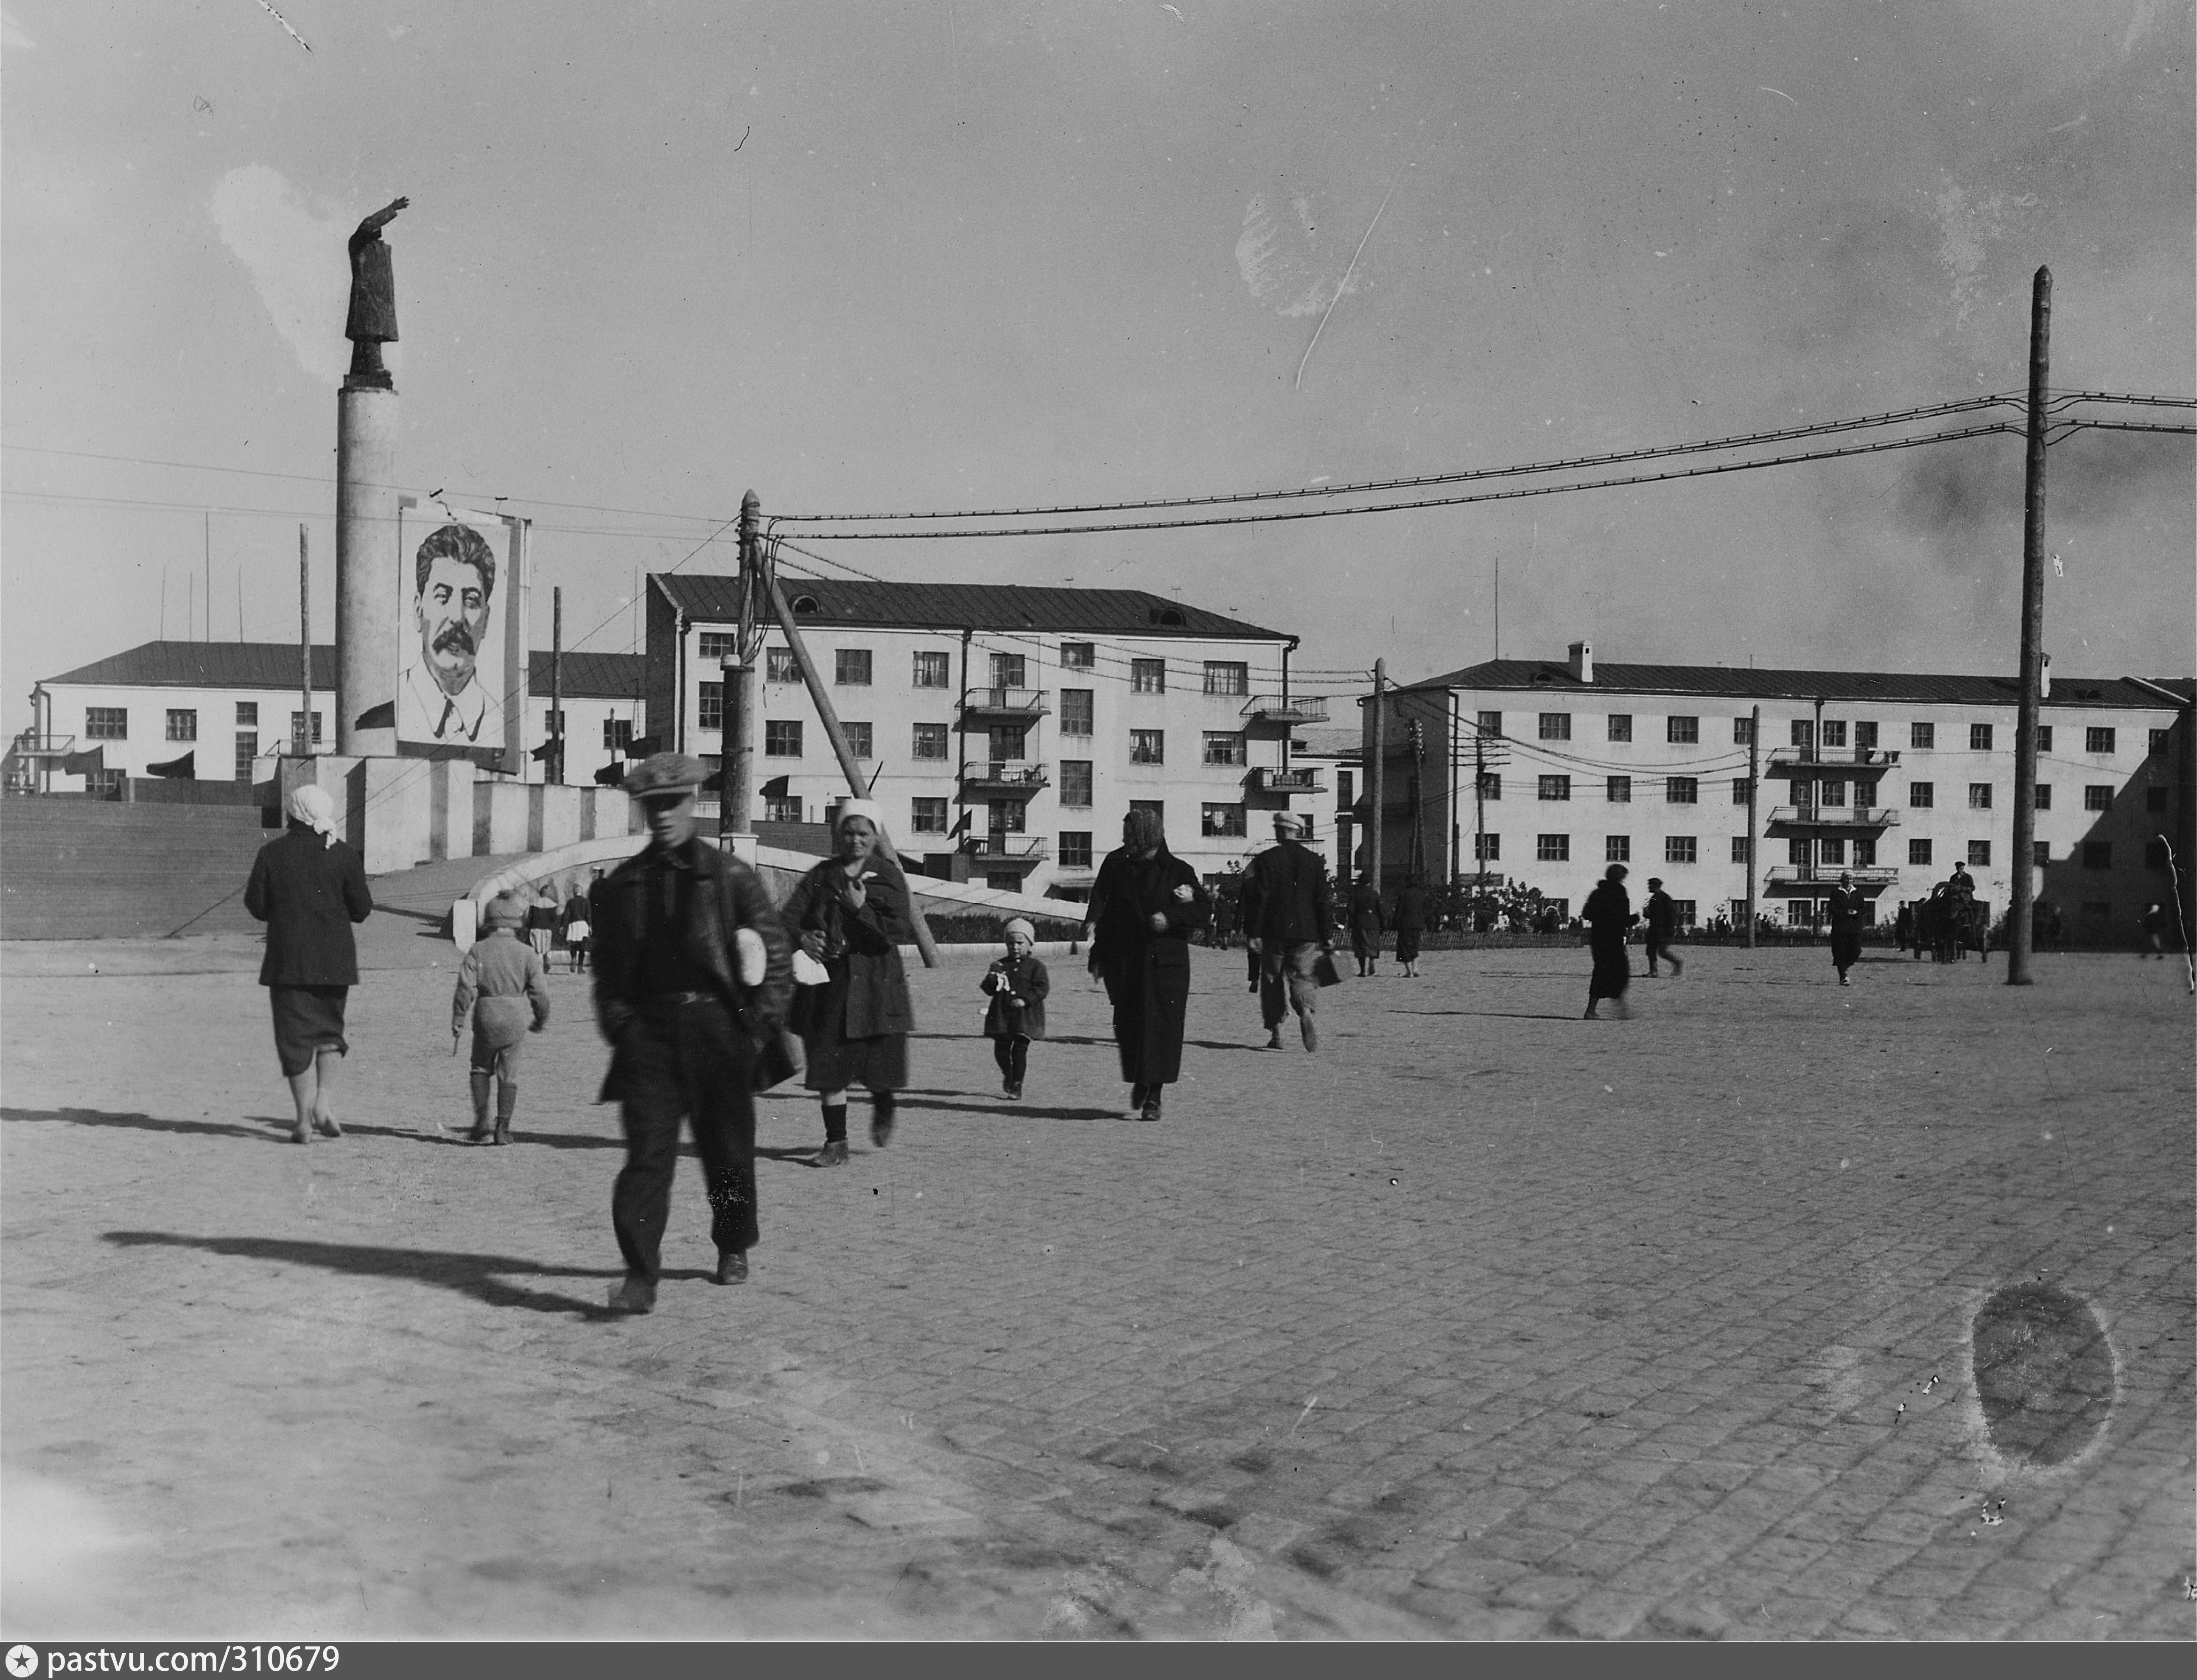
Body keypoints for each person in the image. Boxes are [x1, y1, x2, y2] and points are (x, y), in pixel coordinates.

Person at [590, 753, 791, 1313]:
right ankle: (639, 1275)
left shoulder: (730, 877)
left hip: (717, 1030)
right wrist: (622, 1028)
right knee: (646, 1158)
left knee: (726, 1152)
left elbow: (776, 959)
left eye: (671, 804)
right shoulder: (624, 884)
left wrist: (752, 1031)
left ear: (691, 805)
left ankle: (732, 1245)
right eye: (651, 806)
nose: (661, 816)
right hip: (649, 1035)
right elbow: (606, 973)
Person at [782, 800, 918, 1166]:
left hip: (876, 985)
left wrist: (861, 909)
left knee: (877, 1069)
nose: (856, 840)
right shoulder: (821, 875)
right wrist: (804, 938)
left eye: (864, 833)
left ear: (875, 837)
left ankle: (884, 1101)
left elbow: (896, 930)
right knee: (829, 1067)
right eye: (849, 832)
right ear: (837, 834)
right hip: (832, 986)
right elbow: (789, 919)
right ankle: (836, 1144)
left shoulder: (887, 875)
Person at [244, 783, 374, 1143]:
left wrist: (286, 913)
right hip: (335, 961)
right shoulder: (345, 854)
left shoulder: (272, 853)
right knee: (330, 1031)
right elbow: (362, 910)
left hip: (288, 960)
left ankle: (302, 1120)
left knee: (294, 1037)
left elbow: (255, 905)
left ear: (292, 813)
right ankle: (324, 1103)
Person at [1085, 807, 1212, 1120]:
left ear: (1146, 836)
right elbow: (1107, 913)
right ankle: (1141, 1079)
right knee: (1126, 1025)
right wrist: (1098, 954)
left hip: (1164, 963)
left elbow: (1203, 913)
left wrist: (1170, 918)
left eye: (1131, 835)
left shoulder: (1179, 870)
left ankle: (1154, 1095)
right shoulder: (1117, 866)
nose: (1125, 840)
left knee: (1161, 1028)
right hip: (1124, 959)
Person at [451, 893, 551, 1143]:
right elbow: (540, 993)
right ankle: (503, 1128)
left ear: (490, 921)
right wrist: (540, 1018)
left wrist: (459, 1017)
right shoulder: (527, 953)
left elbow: (466, 988)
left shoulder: (478, 950)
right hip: (516, 1015)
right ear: (517, 922)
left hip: (486, 1014)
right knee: (509, 1074)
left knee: (480, 1067)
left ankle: (482, 1122)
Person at [1238, 809, 1335, 1051]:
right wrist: (1327, 936)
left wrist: (1253, 933)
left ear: (1281, 831)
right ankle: (1305, 1010)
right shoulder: (1315, 862)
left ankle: (1277, 1032)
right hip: (1307, 931)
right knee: (1303, 976)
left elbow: (1259, 899)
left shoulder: (1267, 860)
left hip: (1274, 931)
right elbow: (1323, 901)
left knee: (1271, 979)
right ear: (1299, 832)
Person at [397, 522, 498, 745]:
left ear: (486, 620)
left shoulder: (500, 722)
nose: (456, 616)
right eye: (443, 596)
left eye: (471, 600)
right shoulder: (391, 709)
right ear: (417, 610)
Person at [980, 917, 1050, 1100]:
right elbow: (988, 990)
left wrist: (1026, 1000)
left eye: (1020, 943)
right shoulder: (999, 965)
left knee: (1019, 1050)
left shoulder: (1036, 966)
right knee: (1001, 1052)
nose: (1015, 947)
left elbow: (1042, 989)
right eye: (1011, 943)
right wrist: (992, 980)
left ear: (1030, 944)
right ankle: (1009, 1074)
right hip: (1002, 1016)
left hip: (1025, 1017)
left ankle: (1017, 1085)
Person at [1581, 863, 1636, 1019]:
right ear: (1620, 877)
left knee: (1601, 971)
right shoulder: (1620, 892)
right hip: (1614, 938)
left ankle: (1593, 1010)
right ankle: (1617, 1009)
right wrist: (1633, 920)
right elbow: (1622, 918)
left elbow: (1587, 914)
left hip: (1598, 938)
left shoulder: (1597, 893)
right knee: (1620, 972)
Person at [1827, 871, 1865, 985]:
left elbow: (1864, 909)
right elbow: (1832, 910)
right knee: (1840, 952)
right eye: (1847, 879)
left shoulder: (1858, 894)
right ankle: (1843, 976)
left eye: (1851, 879)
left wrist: (1857, 913)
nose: (1849, 881)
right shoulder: (1836, 893)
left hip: (1855, 928)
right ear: (1842, 880)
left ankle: (1846, 969)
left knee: (1856, 950)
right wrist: (1845, 913)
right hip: (1840, 928)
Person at [1643, 877, 1684, 978]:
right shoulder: (1655, 898)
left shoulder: (1665, 898)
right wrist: (1647, 914)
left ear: (1655, 886)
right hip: (1655, 930)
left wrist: (1670, 930)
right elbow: (1655, 915)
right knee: (1651, 951)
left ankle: (1677, 963)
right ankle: (1653, 971)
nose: (1649, 887)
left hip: (1663, 931)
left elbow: (1671, 915)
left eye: (1650, 885)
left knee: (1662, 951)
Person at [1347, 872, 1387, 977]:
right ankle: (1372, 960)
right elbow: (1381, 911)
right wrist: (1383, 924)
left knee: (1361, 947)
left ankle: (1363, 970)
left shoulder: (1355, 894)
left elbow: (1350, 910)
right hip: (1374, 923)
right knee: (1373, 945)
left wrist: (1352, 921)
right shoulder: (1375, 894)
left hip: (1360, 923)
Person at [1393, 874, 1428, 978]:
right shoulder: (1421, 894)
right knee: (1414, 945)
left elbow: (1399, 910)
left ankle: (1410, 972)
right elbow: (1425, 909)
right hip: (1418, 923)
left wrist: (1395, 923)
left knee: (1404, 947)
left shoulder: (1403, 894)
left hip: (1405, 923)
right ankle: (1416, 968)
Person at [561, 880, 593, 973]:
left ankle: (574, 958)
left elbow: (566, 915)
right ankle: (580, 968)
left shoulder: (570, 902)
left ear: (574, 892)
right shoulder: (586, 902)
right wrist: (590, 926)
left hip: (573, 925)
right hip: (583, 925)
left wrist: (563, 926)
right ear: (581, 892)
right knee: (583, 946)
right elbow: (588, 916)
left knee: (573, 946)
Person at [525, 888, 557, 967]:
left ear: (540, 893)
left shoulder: (534, 904)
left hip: (536, 927)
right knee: (547, 947)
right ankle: (547, 961)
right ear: (547, 894)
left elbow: (530, 917)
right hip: (547, 928)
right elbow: (554, 918)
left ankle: (538, 965)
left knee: (536, 947)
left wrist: (528, 927)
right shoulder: (552, 904)